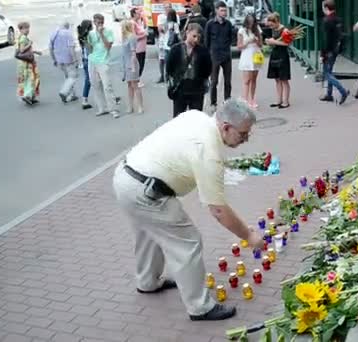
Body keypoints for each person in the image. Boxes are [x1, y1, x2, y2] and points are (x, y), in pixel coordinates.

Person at [112, 98, 264, 321]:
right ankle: (200, 307)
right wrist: (249, 235)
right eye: (242, 134)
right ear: (226, 127)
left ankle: (148, 282)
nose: (245, 140)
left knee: (148, 233)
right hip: (147, 191)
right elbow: (218, 210)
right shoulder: (209, 151)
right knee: (188, 241)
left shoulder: (196, 116)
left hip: (126, 177)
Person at [167, 23, 213, 116]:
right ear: (187, 32)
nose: (196, 40)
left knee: (196, 118)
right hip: (180, 88)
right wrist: (176, 77)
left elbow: (208, 69)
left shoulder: (203, 51)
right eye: (194, 36)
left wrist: (201, 79)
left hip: (197, 89)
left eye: (198, 37)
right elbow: (169, 68)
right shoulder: (175, 49)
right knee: (178, 118)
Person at [87, 13, 120, 118]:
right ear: (94, 22)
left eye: (101, 22)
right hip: (92, 61)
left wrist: (102, 34)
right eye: (97, 22)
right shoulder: (91, 34)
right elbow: (90, 49)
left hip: (104, 61)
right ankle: (102, 108)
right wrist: (84, 41)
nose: (99, 24)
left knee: (107, 86)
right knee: (95, 85)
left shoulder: (108, 32)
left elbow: (108, 47)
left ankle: (113, 109)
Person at [205, 1, 233, 111]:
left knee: (227, 81)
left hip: (226, 55)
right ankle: (213, 103)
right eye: (222, 10)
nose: (224, 13)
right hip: (214, 56)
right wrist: (208, 54)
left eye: (225, 10)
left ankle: (227, 101)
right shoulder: (210, 24)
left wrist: (226, 47)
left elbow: (231, 38)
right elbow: (206, 41)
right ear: (216, 10)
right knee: (214, 81)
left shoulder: (228, 24)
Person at [320, 0, 349, 105]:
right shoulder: (338, 19)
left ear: (326, 8)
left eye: (323, 7)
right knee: (330, 71)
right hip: (336, 49)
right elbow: (342, 35)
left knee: (327, 74)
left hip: (329, 50)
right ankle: (329, 94)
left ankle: (343, 91)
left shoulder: (326, 20)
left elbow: (325, 39)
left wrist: (323, 54)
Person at [50, 20, 80, 104]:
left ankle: (72, 95)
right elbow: (71, 48)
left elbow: (50, 48)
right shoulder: (68, 33)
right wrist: (75, 59)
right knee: (73, 76)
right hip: (68, 59)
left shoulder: (53, 34)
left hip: (59, 59)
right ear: (67, 26)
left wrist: (54, 59)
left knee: (67, 77)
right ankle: (64, 92)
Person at [265, 12, 291, 109]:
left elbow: (287, 43)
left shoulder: (285, 30)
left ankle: (286, 101)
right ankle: (279, 100)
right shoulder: (274, 29)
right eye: (270, 25)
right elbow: (275, 43)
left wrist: (273, 41)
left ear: (277, 22)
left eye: (272, 25)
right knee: (277, 79)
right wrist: (269, 43)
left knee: (284, 79)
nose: (271, 27)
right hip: (275, 55)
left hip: (282, 55)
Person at [237, 14, 262, 108]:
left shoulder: (257, 29)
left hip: (256, 54)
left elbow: (261, 44)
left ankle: (252, 99)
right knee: (247, 80)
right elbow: (239, 46)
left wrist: (256, 41)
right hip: (247, 55)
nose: (251, 24)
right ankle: (245, 99)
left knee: (254, 79)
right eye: (249, 22)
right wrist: (247, 42)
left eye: (253, 22)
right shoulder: (242, 30)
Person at [15, 22, 42, 106]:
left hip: (26, 61)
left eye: (28, 28)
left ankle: (31, 96)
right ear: (21, 29)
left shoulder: (21, 37)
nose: (28, 30)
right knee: (30, 78)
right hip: (26, 62)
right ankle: (27, 95)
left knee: (31, 78)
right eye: (26, 28)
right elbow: (22, 50)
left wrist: (35, 51)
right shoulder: (23, 38)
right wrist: (30, 44)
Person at [121, 20, 144, 114]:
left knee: (135, 85)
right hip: (126, 64)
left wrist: (133, 66)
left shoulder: (131, 37)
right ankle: (130, 106)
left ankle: (140, 106)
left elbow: (133, 53)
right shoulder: (125, 37)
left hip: (131, 64)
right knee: (129, 85)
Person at [130, 8, 148, 88]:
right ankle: (136, 80)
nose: (139, 14)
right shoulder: (132, 23)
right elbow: (134, 37)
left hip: (142, 47)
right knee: (139, 65)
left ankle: (138, 79)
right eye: (138, 13)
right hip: (138, 48)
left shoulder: (139, 22)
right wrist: (144, 35)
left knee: (142, 64)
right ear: (133, 14)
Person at [77, 20, 93, 110]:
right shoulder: (88, 37)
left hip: (85, 60)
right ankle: (84, 100)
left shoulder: (81, 36)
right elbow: (90, 49)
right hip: (90, 60)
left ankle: (85, 100)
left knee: (89, 80)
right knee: (95, 80)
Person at [156, 2, 173, 83]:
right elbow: (160, 29)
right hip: (163, 40)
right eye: (166, 7)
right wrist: (165, 26)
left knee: (170, 59)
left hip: (171, 41)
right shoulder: (161, 17)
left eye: (169, 7)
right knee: (161, 59)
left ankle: (169, 76)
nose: (167, 9)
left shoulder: (175, 16)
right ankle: (162, 76)